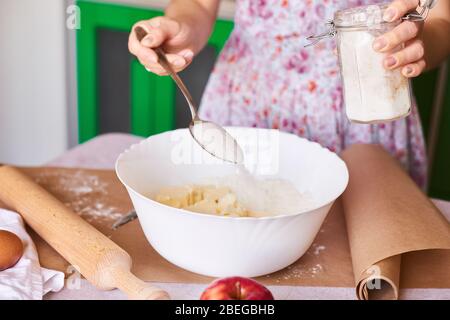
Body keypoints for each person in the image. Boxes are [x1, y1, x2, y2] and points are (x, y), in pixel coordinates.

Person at [128, 0, 450, 187]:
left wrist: (419, 44)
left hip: (366, 109)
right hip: (247, 104)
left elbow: (440, 18)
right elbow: (197, 4)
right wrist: (178, 28)